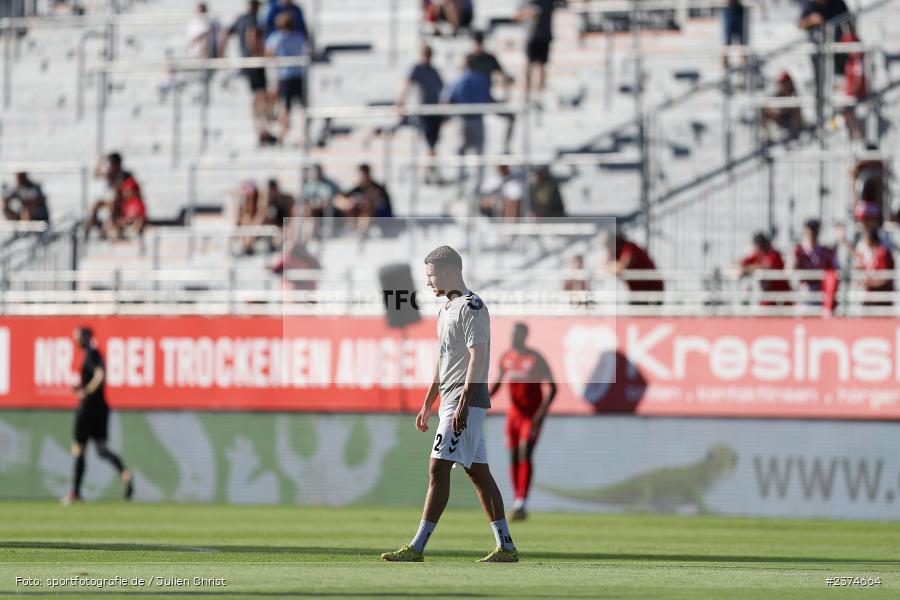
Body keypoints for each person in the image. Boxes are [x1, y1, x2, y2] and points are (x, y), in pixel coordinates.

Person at [381, 245, 518, 563]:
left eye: (431, 275)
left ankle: (417, 547)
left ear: (450, 272)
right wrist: (429, 400)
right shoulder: (445, 310)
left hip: (464, 399)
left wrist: (463, 404)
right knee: (478, 474)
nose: (428, 282)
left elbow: (478, 357)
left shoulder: (472, 307)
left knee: (438, 468)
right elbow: (443, 360)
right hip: (451, 400)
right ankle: (506, 546)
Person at [489, 322, 557, 521]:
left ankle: (521, 502)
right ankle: (518, 500)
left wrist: (539, 416)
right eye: (511, 334)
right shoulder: (506, 358)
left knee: (525, 452)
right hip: (513, 415)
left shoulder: (535, 358)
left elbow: (553, 388)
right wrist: (480, 402)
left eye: (517, 334)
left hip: (531, 416)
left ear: (524, 336)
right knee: (513, 456)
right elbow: (497, 384)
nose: (513, 338)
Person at [63, 326, 133, 505]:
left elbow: (100, 375)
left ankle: (76, 492)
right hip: (101, 408)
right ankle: (124, 473)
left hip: (88, 409)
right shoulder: (95, 354)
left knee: (79, 449)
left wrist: (86, 390)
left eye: (78, 335)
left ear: (86, 336)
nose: (76, 339)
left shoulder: (91, 354)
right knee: (102, 449)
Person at [221, 0, 276, 146]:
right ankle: (262, 130)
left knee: (258, 96)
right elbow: (251, 35)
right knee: (261, 95)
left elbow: (226, 33)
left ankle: (261, 129)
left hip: (246, 61)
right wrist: (257, 53)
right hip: (254, 61)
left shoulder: (240, 19)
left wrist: (222, 53)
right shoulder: (252, 20)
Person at [398, 44, 445, 184]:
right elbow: (407, 84)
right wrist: (400, 101)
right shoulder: (417, 69)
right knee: (429, 143)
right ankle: (428, 173)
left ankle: (430, 170)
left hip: (434, 111)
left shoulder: (434, 71)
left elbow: (441, 88)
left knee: (433, 144)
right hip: (424, 111)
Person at [445, 55, 494, 188]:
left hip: (463, 120)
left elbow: (448, 99)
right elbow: (489, 99)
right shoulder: (482, 78)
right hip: (478, 120)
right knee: (478, 154)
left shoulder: (459, 79)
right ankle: (477, 185)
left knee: (460, 153)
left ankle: (460, 184)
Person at [798, 0, 850, 123]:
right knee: (820, 86)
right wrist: (811, 20)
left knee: (838, 87)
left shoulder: (838, 4)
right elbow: (799, 24)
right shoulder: (810, 6)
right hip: (818, 53)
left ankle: (839, 117)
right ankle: (821, 118)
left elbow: (850, 21)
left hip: (839, 53)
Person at [265, 11, 309, 146]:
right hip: (299, 74)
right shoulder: (299, 36)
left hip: (285, 75)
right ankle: (303, 135)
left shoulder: (277, 37)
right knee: (301, 106)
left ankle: (283, 136)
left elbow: (269, 53)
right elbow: (306, 51)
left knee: (285, 107)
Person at [468, 31, 515, 153]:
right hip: (470, 102)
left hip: (486, 98)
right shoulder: (469, 59)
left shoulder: (489, 58)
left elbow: (503, 74)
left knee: (511, 117)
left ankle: (505, 147)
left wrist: (507, 84)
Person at [85, 152, 146, 241]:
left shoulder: (125, 174)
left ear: (116, 163)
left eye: (111, 162)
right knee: (97, 204)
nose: (110, 165)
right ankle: (93, 223)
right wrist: (100, 161)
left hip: (120, 201)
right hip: (109, 199)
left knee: (113, 203)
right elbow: (96, 174)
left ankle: (105, 229)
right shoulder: (110, 172)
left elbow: (131, 189)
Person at [838, 223, 895, 306]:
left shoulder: (883, 252)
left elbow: (885, 278)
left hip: (881, 297)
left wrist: (868, 283)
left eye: (866, 237)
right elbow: (859, 258)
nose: (864, 240)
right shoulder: (871, 252)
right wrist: (844, 240)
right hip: (869, 296)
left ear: (871, 239)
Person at [517, 0, 563, 100]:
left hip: (544, 36)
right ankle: (526, 95)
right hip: (531, 36)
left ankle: (539, 97)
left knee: (542, 66)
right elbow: (517, 16)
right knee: (529, 66)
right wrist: (527, 13)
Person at [736, 232, 792, 305]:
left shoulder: (774, 254)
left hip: (781, 296)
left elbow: (766, 267)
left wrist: (748, 269)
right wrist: (741, 268)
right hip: (767, 297)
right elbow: (740, 263)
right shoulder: (757, 255)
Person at [609, 233, 664, 305]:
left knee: (649, 314)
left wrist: (612, 267)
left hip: (651, 291)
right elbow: (602, 265)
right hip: (637, 292)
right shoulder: (615, 252)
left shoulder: (629, 247)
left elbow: (620, 268)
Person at [792, 219, 838, 304]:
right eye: (810, 230)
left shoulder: (825, 251)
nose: (812, 233)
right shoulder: (798, 250)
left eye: (815, 230)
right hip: (803, 290)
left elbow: (834, 270)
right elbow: (790, 270)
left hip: (820, 291)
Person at [343, 164, 393, 232]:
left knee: (367, 210)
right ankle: (353, 228)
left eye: (363, 175)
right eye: (360, 175)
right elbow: (344, 198)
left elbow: (378, 204)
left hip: (380, 216)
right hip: (360, 215)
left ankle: (362, 231)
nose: (361, 177)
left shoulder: (378, 188)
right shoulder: (357, 188)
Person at [761, 72, 803, 142]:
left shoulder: (794, 94)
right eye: (781, 83)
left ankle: (795, 134)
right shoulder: (778, 94)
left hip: (792, 120)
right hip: (781, 118)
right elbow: (770, 105)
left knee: (796, 108)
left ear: (789, 83)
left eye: (784, 83)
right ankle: (768, 138)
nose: (782, 85)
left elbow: (795, 108)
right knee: (765, 110)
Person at [841, 29, 867, 141]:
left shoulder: (858, 61)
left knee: (847, 111)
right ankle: (852, 134)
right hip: (851, 95)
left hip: (858, 95)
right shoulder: (850, 61)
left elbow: (858, 78)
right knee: (844, 111)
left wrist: (854, 90)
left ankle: (856, 134)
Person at [721, 0, 747, 71]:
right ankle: (724, 65)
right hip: (729, 9)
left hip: (738, 9)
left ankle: (743, 65)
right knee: (727, 40)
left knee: (743, 41)